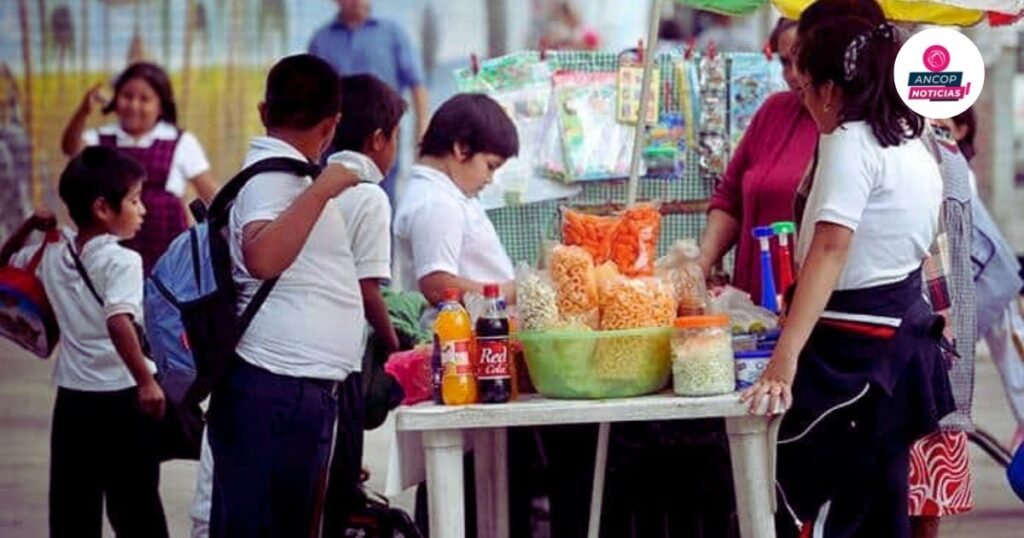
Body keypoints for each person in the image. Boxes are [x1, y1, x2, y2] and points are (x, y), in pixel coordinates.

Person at [742, 10, 954, 538]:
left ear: (832, 90)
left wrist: (783, 359)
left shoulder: (849, 143)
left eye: (807, 86)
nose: (805, 99)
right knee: (879, 505)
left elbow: (831, 252)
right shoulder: (913, 141)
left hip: (855, 356)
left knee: (804, 494)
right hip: (899, 347)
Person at [205, 54, 362, 538]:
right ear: (332, 126)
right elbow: (263, 258)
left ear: (262, 110)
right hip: (270, 390)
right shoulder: (272, 179)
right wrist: (322, 190)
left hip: (290, 392)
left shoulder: (285, 177)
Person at [0, 147, 168, 538]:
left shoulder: (53, 254)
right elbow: (119, 321)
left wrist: (28, 227)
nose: (142, 209)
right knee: (137, 507)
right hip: (124, 400)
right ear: (102, 209)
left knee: (73, 510)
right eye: (134, 200)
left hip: (74, 403)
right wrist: (146, 380)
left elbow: (4, 267)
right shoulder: (122, 261)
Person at [321, 73, 407, 537]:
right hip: (346, 360)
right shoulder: (370, 196)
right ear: (378, 139)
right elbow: (367, 287)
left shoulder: (317, 179)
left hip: (313, 362)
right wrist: (395, 345)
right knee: (340, 494)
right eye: (396, 138)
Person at [698, 16, 817, 302]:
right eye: (784, 62)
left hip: (805, 300)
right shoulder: (774, 110)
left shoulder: (842, 126)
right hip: (750, 297)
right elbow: (729, 198)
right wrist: (700, 265)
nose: (792, 73)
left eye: (799, 59)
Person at [61, 62, 216, 275]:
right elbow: (71, 148)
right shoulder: (101, 139)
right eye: (127, 96)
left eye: (144, 99)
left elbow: (211, 194)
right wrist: (83, 112)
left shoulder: (179, 141)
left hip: (168, 248)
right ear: (115, 99)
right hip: (111, 251)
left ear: (161, 106)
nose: (134, 105)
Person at [945, 109, 1024, 451]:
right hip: (985, 278)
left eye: (942, 127)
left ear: (962, 130)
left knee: (1015, 366)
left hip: (988, 278)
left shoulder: (956, 168)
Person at [393, 93, 519, 304]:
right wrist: (509, 293)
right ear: (462, 148)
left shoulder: (449, 194)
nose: (490, 179)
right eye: (490, 166)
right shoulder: (435, 202)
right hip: (453, 333)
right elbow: (437, 286)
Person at [309, 0, 429, 203]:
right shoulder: (321, 39)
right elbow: (313, 93)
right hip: (335, 136)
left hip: (381, 134)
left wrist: (422, 130)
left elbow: (417, 84)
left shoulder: (392, 34)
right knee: (334, 198)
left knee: (383, 195)